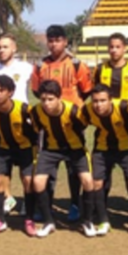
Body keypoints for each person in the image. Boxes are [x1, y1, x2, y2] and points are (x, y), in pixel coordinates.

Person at [31, 24, 92, 222]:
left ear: (65, 41)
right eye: (51, 40)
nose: (54, 44)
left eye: (58, 40)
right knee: (47, 166)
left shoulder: (76, 65)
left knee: (75, 166)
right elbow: (36, 91)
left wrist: (72, 108)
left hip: (71, 122)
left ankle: (75, 204)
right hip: (48, 122)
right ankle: (45, 205)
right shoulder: (40, 66)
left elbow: (86, 90)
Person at [31, 80, 95, 238]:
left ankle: (87, 221)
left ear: (59, 97)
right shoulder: (36, 111)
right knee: (38, 182)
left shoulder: (73, 111)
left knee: (87, 181)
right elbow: (37, 130)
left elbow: (82, 128)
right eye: (43, 99)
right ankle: (48, 222)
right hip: (50, 149)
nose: (46, 103)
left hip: (75, 149)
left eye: (51, 99)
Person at [83, 84, 128, 237]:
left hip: (126, 149)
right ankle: (103, 220)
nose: (98, 105)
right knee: (96, 182)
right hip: (102, 148)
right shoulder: (87, 110)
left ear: (111, 100)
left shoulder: (125, 108)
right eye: (95, 101)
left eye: (103, 100)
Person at [0, 75, 38, 236]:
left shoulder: (24, 109)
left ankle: (29, 219)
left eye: (1, 90)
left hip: (24, 147)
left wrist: (37, 146)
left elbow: (38, 127)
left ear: (10, 92)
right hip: (3, 147)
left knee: (28, 181)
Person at [0, 33, 34, 105]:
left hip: (21, 113)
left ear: (14, 48)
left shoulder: (26, 68)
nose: (1, 50)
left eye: (5, 47)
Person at [93, 32, 128, 100]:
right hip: (106, 110)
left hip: (127, 110)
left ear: (125, 48)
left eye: (118, 47)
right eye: (111, 47)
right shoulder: (99, 69)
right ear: (108, 49)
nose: (114, 50)